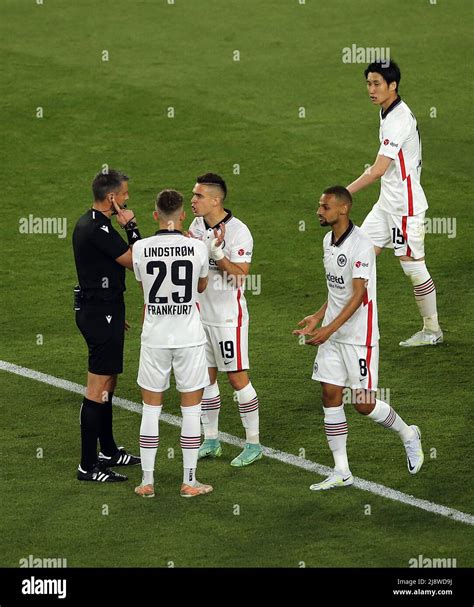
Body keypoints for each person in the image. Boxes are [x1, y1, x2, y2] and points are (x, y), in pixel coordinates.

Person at [294, 186, 424, 491]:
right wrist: (318, 316)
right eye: (319, 205)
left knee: (363, 404)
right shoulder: (328, 240)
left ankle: (408, 434)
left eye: (324, 207)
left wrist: (328, 330)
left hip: (358, 336)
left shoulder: (362, 244)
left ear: (343, 210)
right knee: (330, 394)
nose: (319, 212)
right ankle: (341, 470)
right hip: (334, 333)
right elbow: (337, 292)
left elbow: (357, 295)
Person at [346, 60, 442, 347]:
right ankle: (351, 322)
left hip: (405, 207)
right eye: (368, 83)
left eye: (376, 84)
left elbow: (376, 170)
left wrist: (344, 193)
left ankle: (432, 330)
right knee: (358, 255)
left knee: (412, 267)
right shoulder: (387, 111)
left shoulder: (399, 120)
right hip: (387, 204)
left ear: (393, 86)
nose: (371, 89)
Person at [132, 189, 213, 498]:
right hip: (189, 338)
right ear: (182, 217)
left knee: (150, 409)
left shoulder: (140, 248)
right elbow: (202, 285)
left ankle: (147, 481)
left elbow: (144, 286)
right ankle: (189, 481)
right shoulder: (197, 247)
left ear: (156, 215)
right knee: (191, 411)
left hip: (154, 337)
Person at [188, 173, 263, 467]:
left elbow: (240, 275)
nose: (193, 201)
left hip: (228, 318)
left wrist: (217, 253)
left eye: (198, 196)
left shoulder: (239, 232)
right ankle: (211, 439)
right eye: (193, 195)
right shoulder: (195, 226)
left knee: (237, 379)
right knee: (206, 377)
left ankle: (254, 444)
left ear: (216, 200)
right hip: (199, 316)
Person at [73, 169, 141, 483]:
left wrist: (113, 308)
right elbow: (134, 260)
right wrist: (132, 227)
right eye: (124, 194)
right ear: (112, 197)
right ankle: (88, 466)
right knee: (97, 387)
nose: (127, 199)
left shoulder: (96, 223)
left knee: (108, 383)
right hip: (99, 311)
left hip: (105, 308)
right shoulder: (98, 228)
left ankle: (109, 451)